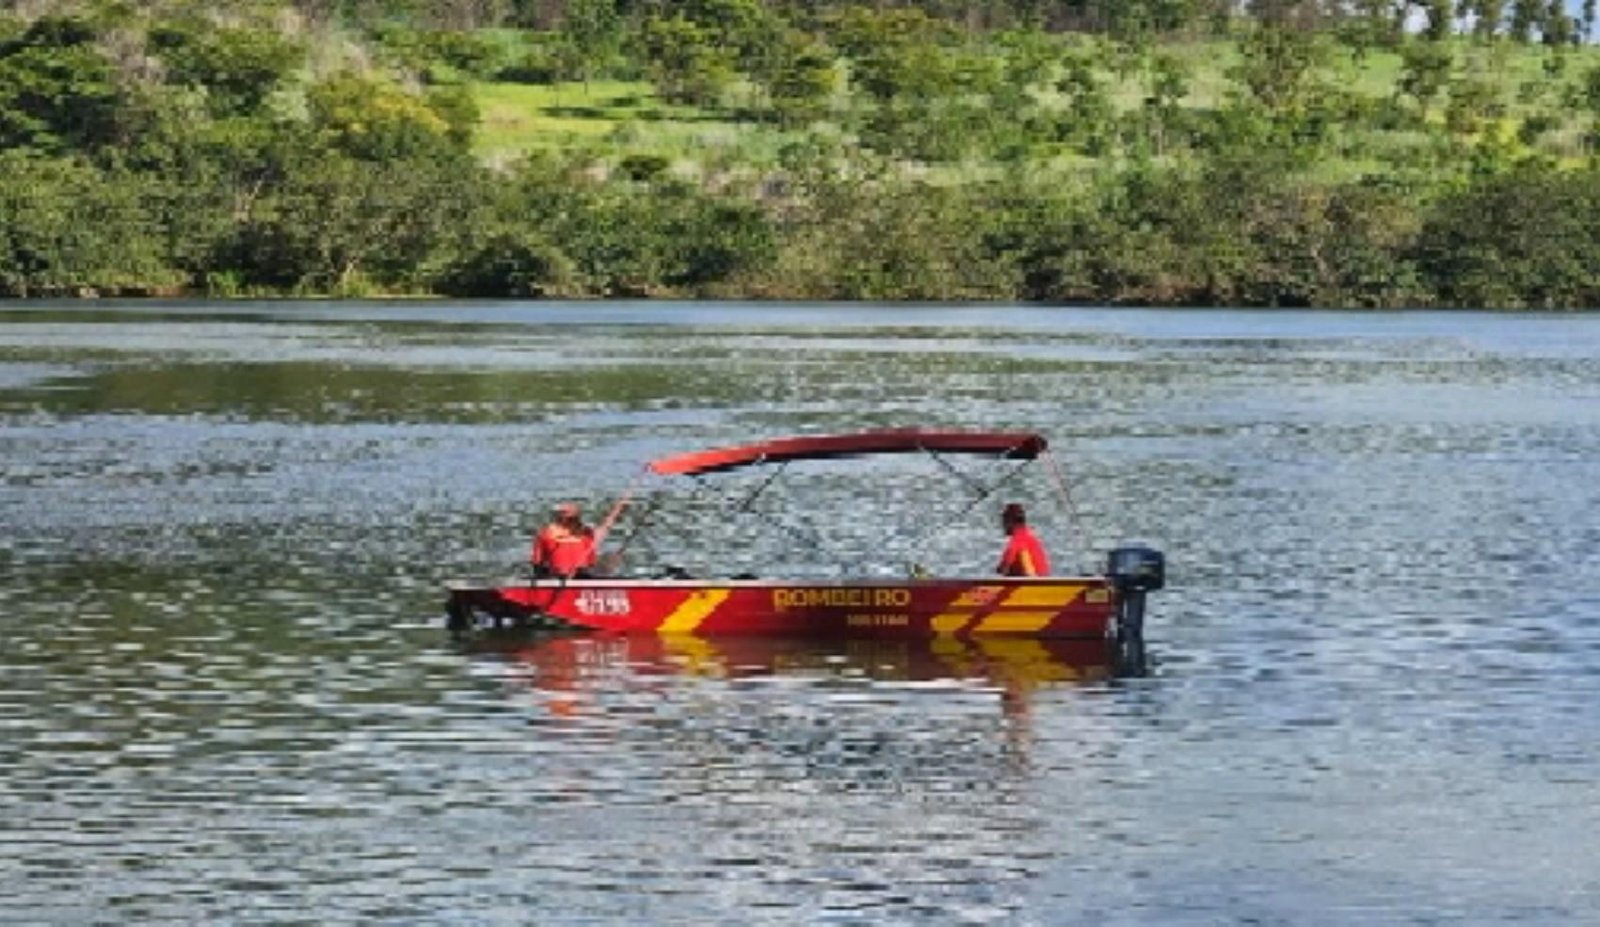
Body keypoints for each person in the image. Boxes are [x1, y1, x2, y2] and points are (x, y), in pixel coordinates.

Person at [530, 502, 597, 579]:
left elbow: (537, 562)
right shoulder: (587, 533)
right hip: (576, 576)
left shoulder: (545, 532)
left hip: (563, 576)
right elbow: (591, 562)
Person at [996, 502, 1050, 577]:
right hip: (1042, 578)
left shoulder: (1019, 538)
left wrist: (1001, 568)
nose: (1003, 526)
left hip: (1032, 581)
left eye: (1004, 521)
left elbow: (1007, 561)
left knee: (1021, 555)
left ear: (1010, 521)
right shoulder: (1029, 535)